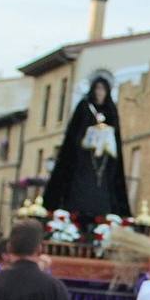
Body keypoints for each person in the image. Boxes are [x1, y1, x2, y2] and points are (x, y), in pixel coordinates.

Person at [43, 75, 131, 224]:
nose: (100, 92)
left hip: (104, 161)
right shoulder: (84, 107)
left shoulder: (111, 110)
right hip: (83, 159)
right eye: (97, 88)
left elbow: (115, 137)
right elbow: (74, 135)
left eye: (103, 89)